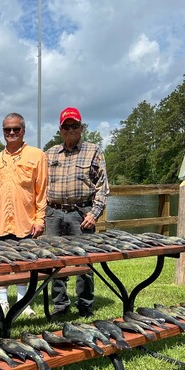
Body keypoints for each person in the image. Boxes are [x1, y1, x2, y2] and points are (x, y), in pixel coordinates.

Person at [45, 106, 109, 318]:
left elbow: (102, 186)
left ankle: (85, 305)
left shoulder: (93, 150)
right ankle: (60, 306)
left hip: (81, 213)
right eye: (66, 126)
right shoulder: (50, 153)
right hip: (53, 213)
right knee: (56, 261)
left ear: (81, 127)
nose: (70, 129)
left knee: (84, 261)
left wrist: (94, 213)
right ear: (60, 129)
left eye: (75, 125)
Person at [0, 112, 48, 315]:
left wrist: (40, 219)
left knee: (24, 263)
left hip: (26, 223)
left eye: (16, 129)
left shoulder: (37, 155)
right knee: (0, 264)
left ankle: (24, 303)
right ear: (3, 132)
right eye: (8, 129)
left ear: (24, 130)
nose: (12, 132)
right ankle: (3, 300)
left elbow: (42, 191)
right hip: (0, 223)